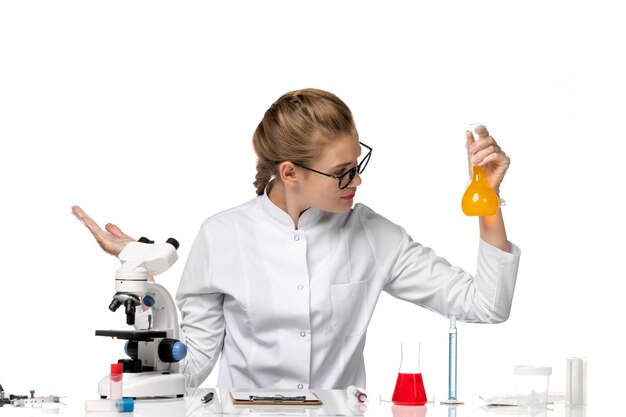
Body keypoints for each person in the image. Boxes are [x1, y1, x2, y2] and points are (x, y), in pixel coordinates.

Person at [72, 88, 520, 391]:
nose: (356, 180)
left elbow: (485, 304)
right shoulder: (222, 236)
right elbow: (190, 367)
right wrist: (145, 279)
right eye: (343, 172)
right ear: (290, 172)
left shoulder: (373, 234)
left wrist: (489, 200)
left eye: (358, 163)